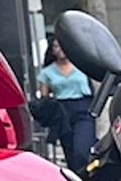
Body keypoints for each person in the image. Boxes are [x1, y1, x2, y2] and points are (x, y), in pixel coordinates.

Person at [32, 38, 98, 172]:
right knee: (70, 153)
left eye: (63, 46)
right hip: (62, 113)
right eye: (56, 47)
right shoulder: (47, 72)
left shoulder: (81, 66)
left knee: (82, 149)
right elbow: (44, 98)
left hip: (83, 108)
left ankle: (89, 177)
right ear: (52, 50)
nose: (60, 49)